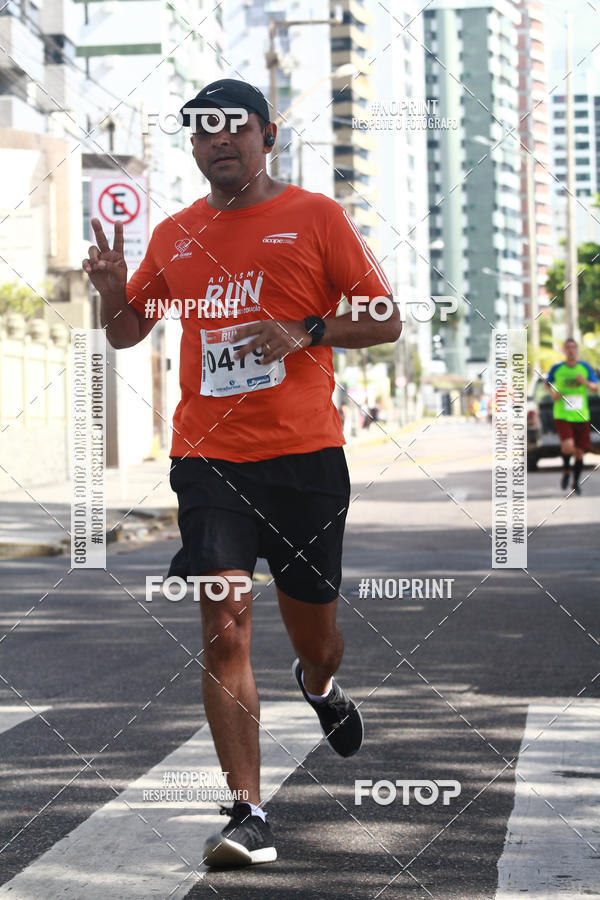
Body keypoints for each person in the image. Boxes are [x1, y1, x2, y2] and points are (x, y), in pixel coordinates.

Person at [82, 78, 400, 868]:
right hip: (209, 457)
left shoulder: (316, 217)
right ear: (193, 147)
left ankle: (320, 687)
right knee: (224, 623)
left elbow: (385, 316)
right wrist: (114, 291)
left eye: (235, 129)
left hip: (305, 458)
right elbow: (127, 334)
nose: (220, 142)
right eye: (203, 133)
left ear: (267, 136)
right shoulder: (176, 234)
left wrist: (307, 329)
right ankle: (247, 814)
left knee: (316, 637)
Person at [545, 338, 598, 494]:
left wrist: (585, 382)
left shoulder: (585, 368)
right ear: (564, 350)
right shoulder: (557, 368)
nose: (571, 350)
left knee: (579, 452)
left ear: (577, 350)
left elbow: (595, 387)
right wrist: (553, 394)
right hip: (562, 414)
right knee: (568, 446)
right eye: (567, 347)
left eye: (573, 347)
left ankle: (575, 481)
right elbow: (547, 383)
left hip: (581, 415)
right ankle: (567, 470)